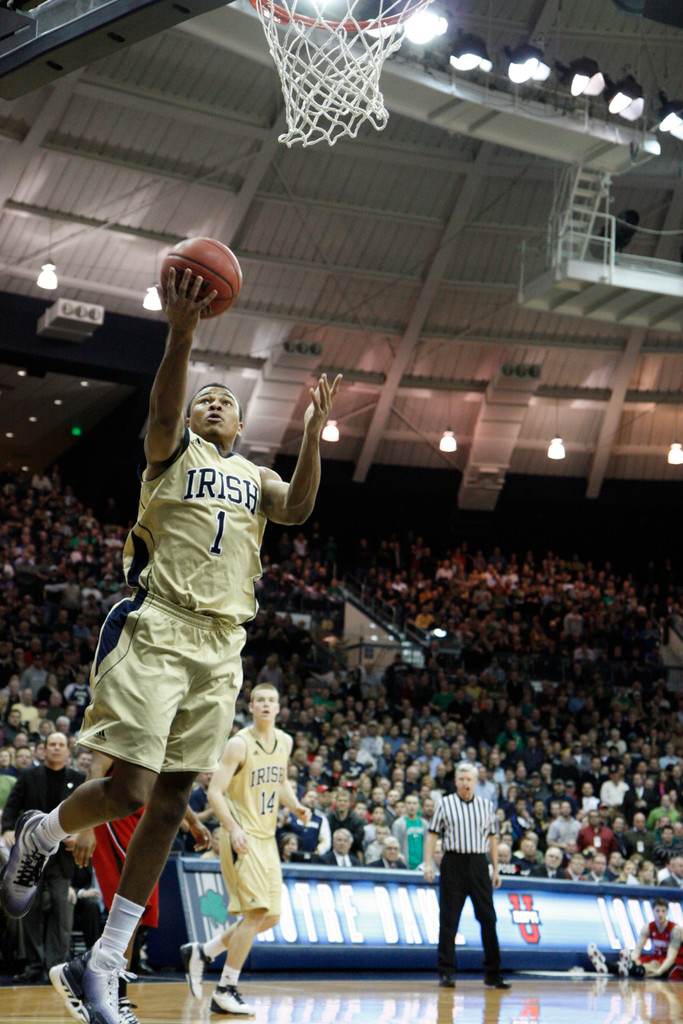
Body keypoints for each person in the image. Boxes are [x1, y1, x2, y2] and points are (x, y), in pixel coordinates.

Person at [1, 269, 340, 1024]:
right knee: (126, 791)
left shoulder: (254, 477)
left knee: (169, 801)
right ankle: (44, 831)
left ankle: (105, 960)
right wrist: (181, 335)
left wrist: (314, 433)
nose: (215, 401)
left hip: (221, 647)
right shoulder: (171, 453)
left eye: (228, 401)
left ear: (245, 427)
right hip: (157, 626)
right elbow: (162, 409)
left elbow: (302, 505)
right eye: (204, 398)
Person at [179, 682, 309, 1015]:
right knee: (254, 914)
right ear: (250, 707)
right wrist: (233, 828)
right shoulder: (238, 744)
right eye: (260, 700)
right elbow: (215, 792)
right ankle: (226, 988)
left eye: (271, 700)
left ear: (279, 708)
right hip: (242, 837)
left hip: (268, 840)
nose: (266, 705)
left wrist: (295, 807)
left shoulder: (285, 742)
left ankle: (204, 952)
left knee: (271, 917)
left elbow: (280, 782)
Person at [64, 751, 211, 1024]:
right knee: (128, 913)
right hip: (113, 821)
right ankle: (113, 998)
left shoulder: (162, 731)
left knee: (137, 917)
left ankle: (94, 981)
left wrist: (193, 821)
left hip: (143, 823)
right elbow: (96, 771)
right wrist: (86, 827)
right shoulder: (127, 720)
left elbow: (163, 783)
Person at [1, 732, 85, 983]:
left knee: (61, 912)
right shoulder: (28, 776)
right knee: (31, 912)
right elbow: (13, 806)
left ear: (68, 751)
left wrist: (79, 834)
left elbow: (89, 812)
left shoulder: (78, 779)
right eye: (52, 744)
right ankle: (35, 965)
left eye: (61, 744)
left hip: (62, 857)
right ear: (45, 749)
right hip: (32, 854)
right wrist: (7, 829)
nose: (57, 748)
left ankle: (56, 968)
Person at [423, 762, 509, 990]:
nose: (465, 783)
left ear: (475, 781)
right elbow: (432, 835)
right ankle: (446, 972)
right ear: (456, 781)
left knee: (489, 919)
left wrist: (496, 868)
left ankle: (493, 973)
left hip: (479, 863)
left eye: (469, 779)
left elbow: (492, 839)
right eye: (461, 779)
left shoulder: (485, 805)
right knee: (449, 920)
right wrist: (428, 864)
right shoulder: (445, 803)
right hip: (453, 862)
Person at [587, 897, 683, 979]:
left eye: (663, 911)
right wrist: (630, 960)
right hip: (659, 957)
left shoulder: (675, 930)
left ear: (667, 912)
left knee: (654, 964)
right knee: (638, 961)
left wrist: (659, 972)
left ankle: (618, 967)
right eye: (657, 911)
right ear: (653, 911)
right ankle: (611, 966)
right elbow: (637, 951)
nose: (660, 914)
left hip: (677, 961)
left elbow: (671, 957)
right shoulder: (648, 928)